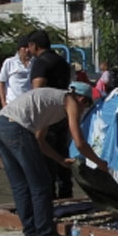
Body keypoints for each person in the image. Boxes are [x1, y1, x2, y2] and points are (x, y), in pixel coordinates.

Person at [0, 81, 107, 236]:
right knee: (41, 183)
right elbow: (80, 142)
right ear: (82, 99)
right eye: (87, 105)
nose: (83, 110)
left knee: (20, 185)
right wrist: (99, 163)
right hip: (18, 129)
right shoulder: (70, 101)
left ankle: (30, 231)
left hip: (0, 125)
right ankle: (46, 234)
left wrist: (60, 160)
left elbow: (40, 141)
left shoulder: (51, 102)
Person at [27, 29, 74, 199]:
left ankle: (49, 196)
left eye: (29, 46)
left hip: (46, 115)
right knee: (62, 153)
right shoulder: (61, 61)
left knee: (45, 154)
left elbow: (38, 90)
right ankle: (66, 191)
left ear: (35, 46)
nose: (28, 50)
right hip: (62, 111)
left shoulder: (40, 62)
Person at [0, 35, 33, 107]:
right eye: (24, 47)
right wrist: (3, 102)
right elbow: (1, 83)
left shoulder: (35, 62)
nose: (27, 50)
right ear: (19, 49)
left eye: (29, 47)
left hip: (29, 104)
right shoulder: (10, 62)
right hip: (12, 104)